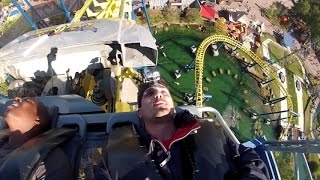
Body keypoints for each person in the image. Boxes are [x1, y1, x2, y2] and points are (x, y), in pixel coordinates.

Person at [103, 79, 270, 180]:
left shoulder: (209, 130)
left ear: (174, 108)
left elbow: (249, 158)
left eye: (164, 93)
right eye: (150, 94)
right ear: (139, 112)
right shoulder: (119, 148)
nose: (158, 95)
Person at [0, 97, 73, 180]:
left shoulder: (47, 157)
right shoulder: (2, 143)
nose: (17, 98)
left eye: (27, 100)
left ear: (38, 119)